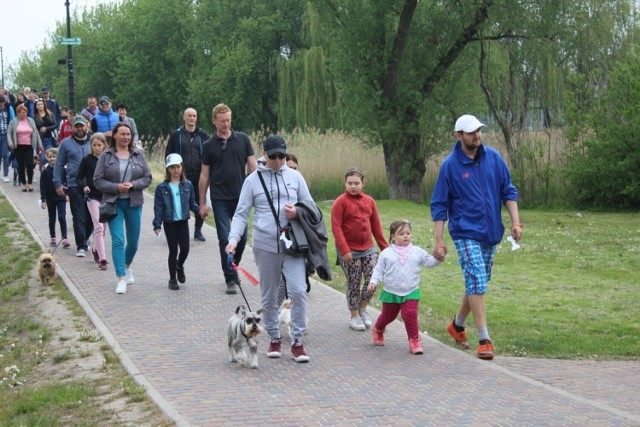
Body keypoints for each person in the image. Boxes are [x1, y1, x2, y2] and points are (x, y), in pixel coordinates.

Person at [430, 114, 523, 360]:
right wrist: (439, 241)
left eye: (479, 131)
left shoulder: (493, 157)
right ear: (458, 135)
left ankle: (457, 325)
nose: (477, 136)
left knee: (477, 282)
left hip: (491, 233)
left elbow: (508, 190)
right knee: (478, 280)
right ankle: (484, 339)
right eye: (471, 132)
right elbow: (439, 205)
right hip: (464, 232)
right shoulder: (450, 166)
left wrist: (515, 221)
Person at [225, 135, 313, 363]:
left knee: (299, 291)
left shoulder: (295, 177)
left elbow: (311, 208)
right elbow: (241, 213)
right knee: (269, 294)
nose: (278, 160)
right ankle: (274, 336)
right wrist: (233, 240)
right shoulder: (252, 181)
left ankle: (297, 341)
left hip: (292, 245)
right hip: (265, 245)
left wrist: (297, 212)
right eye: (273, 156)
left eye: (281, 156)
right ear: (264, 154)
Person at [199, 103, 256, 294]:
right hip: (219, 198)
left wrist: (258, 194)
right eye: (222, 121)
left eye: (228, 120)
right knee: (225, 237)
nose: (226, 124)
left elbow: (253, 168)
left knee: (241, 238)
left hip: (241, 197)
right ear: (214, 121)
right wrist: (202, 203)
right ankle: (230, 278)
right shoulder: (208, 145)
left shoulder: (243, 139)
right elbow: (204, 176)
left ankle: (233, 265)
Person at [367, 220, 443, 354]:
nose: (406, 236)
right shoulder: (387, 253)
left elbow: (430, 262)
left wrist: (439, 257)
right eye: (401, 233)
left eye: (408, 233)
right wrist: (373, 282)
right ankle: (378, 329)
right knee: (388, 316)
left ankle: (414, 340)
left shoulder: (417, 252)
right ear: (393, 237)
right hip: (391, 291)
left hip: (411, 291)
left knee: (410, 314)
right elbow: (378, 270)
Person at [94, 122, 152, 294]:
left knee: (133, 242)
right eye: (122, 134)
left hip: (134, 202)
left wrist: (133, 184)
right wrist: (116, 187)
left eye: (128, 134)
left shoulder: (138, 155)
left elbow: (148, 177)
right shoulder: (106, 156)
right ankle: (121, 278)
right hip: (114, 203)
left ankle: (127, 267)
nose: (126, 137)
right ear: (115, 136)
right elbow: (97, 180)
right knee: (118, 240)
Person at [331, 168, 388, 331]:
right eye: (350, 183)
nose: (353, 186)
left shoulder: (369, 201)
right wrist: (344, 250)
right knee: (354, 283)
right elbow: (336, 227)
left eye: (356, 183)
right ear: (345, 183)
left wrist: (386, 249)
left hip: (368, 249)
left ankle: (363, 308)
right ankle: (354, 315)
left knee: (373, 279)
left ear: (363, 184)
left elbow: (376, 227)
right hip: (349, 251)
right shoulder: (340, 202)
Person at [153, 153, 199, 290]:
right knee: (173, 250)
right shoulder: (162, 187)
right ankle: (172, 279)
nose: (175, 170)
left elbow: (192, 203)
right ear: (168, 169)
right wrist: (157, 224)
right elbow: (158, 208)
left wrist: (200, 210)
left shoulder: (188, 185)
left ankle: (179, 265)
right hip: (169, 222)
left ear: (182, 167)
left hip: (183, 221)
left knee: (185, 248)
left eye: (178, 166)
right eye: (172, 167)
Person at [165, 108, 209, 241]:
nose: (191, 118)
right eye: (189, 116)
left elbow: (210, 154)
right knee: (178, 203)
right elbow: (168, 154)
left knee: (200, 202)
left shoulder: (203, 135)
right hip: (181, 176)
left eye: (194, 116)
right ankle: (177, 230)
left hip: (199, 175)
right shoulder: (176, 135)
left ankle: (198, 230)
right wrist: (170, 172)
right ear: (184, 117)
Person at [54, 115, 93, 257]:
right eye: (77, 126)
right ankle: (81, 245)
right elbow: (58, 164)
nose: (80, 128)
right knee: (78, 215)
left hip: (92, 183)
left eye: (82, 125)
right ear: (73, 128)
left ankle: (86, 237)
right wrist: (58, 183)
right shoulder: (65, 143)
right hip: (74, 183)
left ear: (86, 126)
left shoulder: (94, 141)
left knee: (92, 216)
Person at [77, 133, 109, 270]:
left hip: (107, 197)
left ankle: (96, 249)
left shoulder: (108, 159)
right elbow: (78, 177)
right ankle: (102, 259)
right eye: (94, 145)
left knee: (105, 228)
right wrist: (84, 186)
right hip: (92, 197)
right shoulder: (86, 160)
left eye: (99, 145)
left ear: (104, 145)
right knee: (98, 226)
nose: (96, 148)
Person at [39, 148, 70, 249]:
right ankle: (53, 237)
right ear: (47, 158)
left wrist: (67, 195)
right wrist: (43, 200)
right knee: (52, 218)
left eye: (54, 156)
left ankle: (64, 238)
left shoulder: (62, 170)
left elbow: (66, 183)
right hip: (50, 198)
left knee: (62, 217)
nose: (52, 158)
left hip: (61, 197)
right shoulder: (45, 172)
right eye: (50, 157)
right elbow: (42, 186)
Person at [7, 104, 42, 192]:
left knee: (30, 164)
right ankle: (23, 183)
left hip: (29, 145)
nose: (24, 114)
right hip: (18, 146)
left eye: (25, 112)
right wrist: (10, 141)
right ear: (18, 113)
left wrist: (40, 144)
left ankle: (30, 183)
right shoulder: (13, 122)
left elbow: (36, 132)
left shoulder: (30, 120)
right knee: (21, 165)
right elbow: (9, 133)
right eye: (22, 113)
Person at [33, 98, 58, 169]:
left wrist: (46, 128)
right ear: (36, 106)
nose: (40, 106)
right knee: (42, 158)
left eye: (41, 104)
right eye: (38, 104)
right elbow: (33, 128)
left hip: (49, 138)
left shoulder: (50, 114)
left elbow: (55, 125)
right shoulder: (34, 117)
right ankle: (43, 174)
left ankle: (49, 173)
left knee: (49, 156)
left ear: (44, 105)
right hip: (40, 140)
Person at [0, 96, 16, 183]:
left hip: (6, 134)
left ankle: (6, 174)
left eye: (1, 105)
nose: (0, 107)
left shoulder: (9, 108)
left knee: (5, 155)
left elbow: (13, 120)